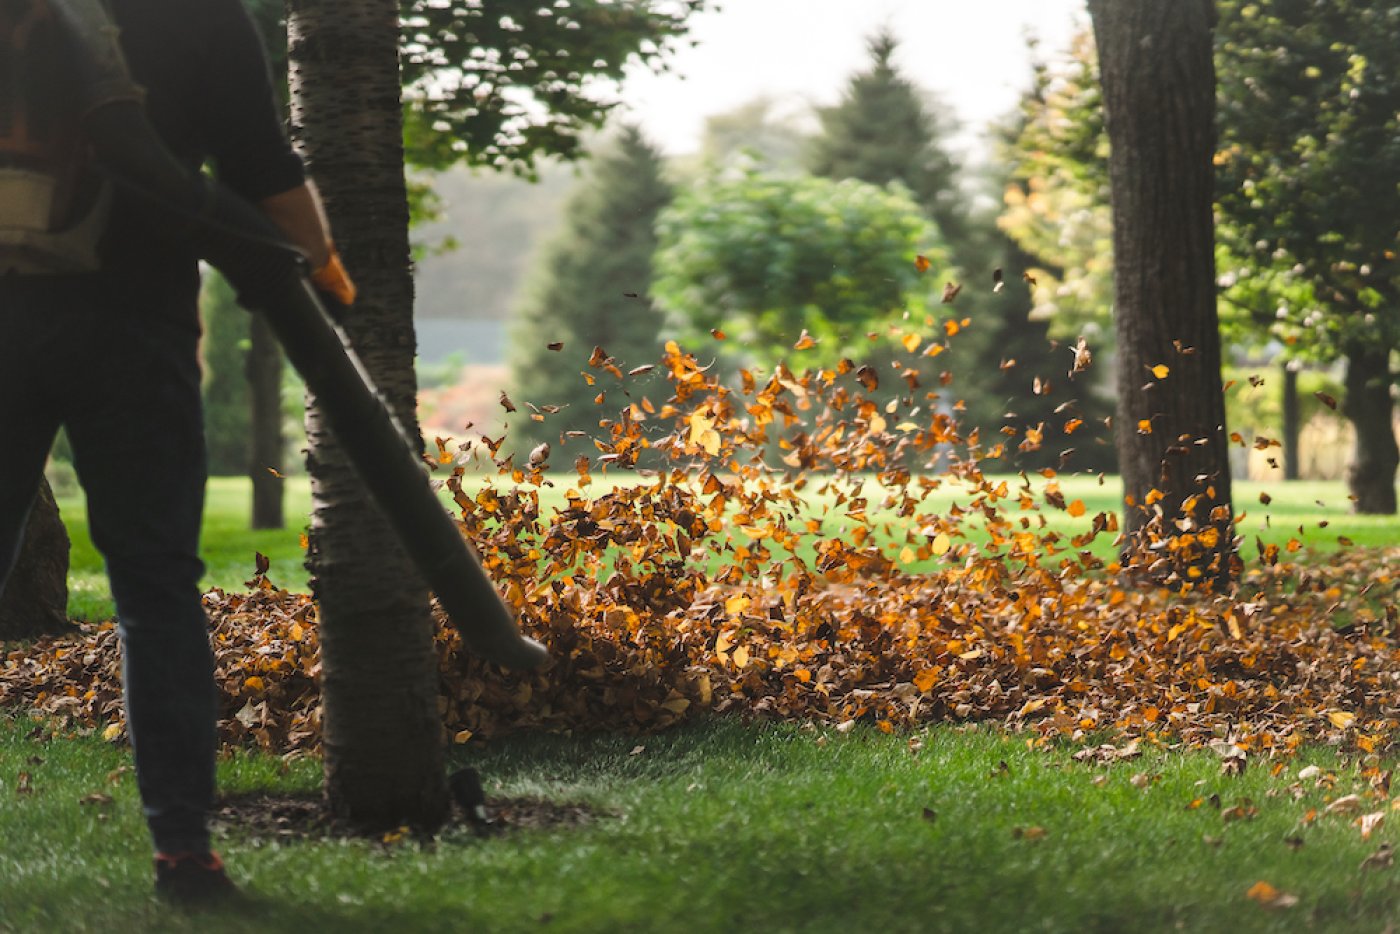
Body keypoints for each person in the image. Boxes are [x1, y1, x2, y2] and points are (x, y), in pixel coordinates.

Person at [0, 0, 349, 903]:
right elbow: (260, 166)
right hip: (137, 335)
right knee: (156, 590)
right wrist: (318, 266)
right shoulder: (198, 15)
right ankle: (185, 855)